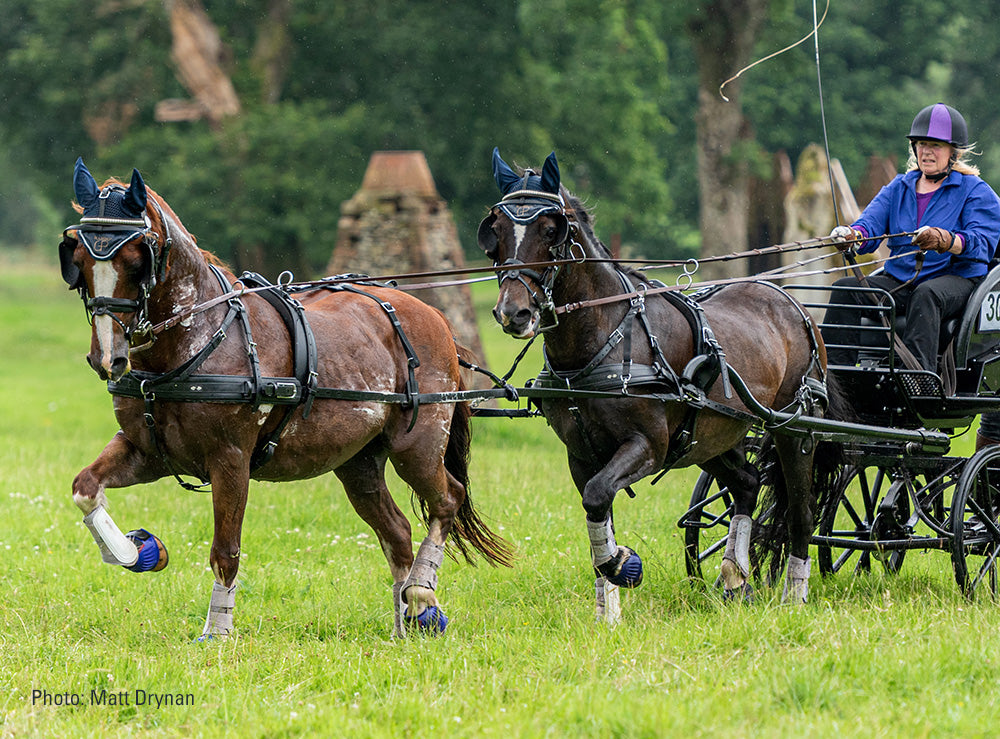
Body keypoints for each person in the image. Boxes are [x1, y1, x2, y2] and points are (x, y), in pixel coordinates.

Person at [822, 103, 1000, 373]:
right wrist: (852, 235)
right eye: (921, 144)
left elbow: (981, 242)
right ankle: (834, 382)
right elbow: (869, 225)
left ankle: (916, 378)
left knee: (927, 294)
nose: (926, 151)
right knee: (846, 289)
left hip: (958, 280)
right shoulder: (898, 187)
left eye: (935, 145)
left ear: (953, 152)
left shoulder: (975, 190)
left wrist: (944, 240)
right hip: (901, 281)